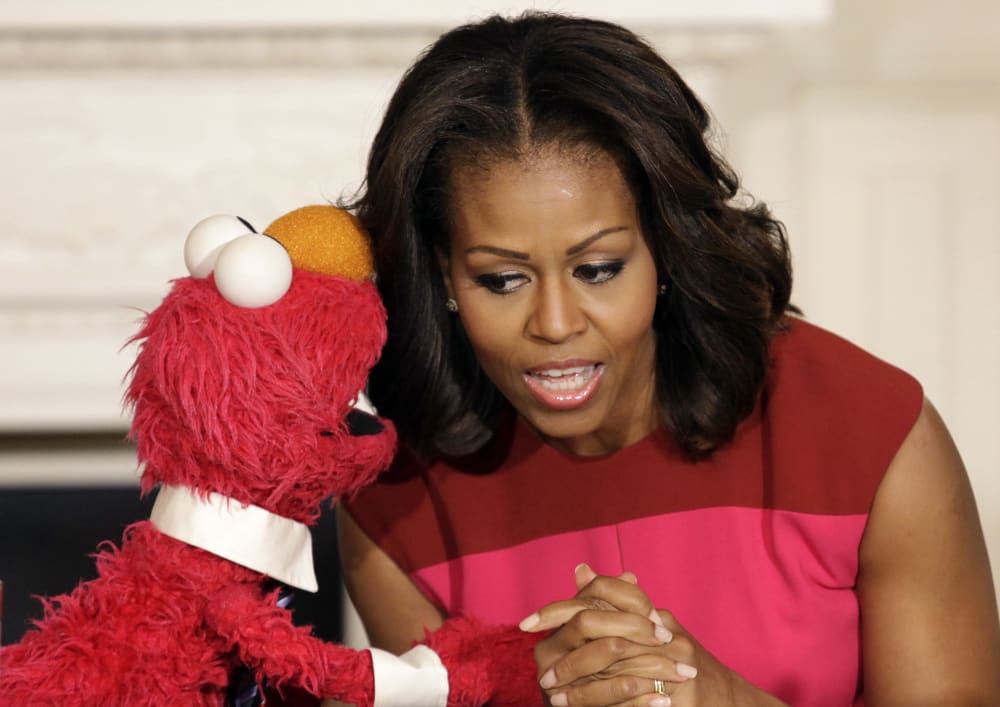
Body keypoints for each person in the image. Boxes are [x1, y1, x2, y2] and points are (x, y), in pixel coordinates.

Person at [332, 11, 1000, 707]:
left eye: (598, 268)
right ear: (441, 276)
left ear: (664, 248)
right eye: (502, 279)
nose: (556, 324)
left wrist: (722, 699)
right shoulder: (394, 503)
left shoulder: (873, 437)